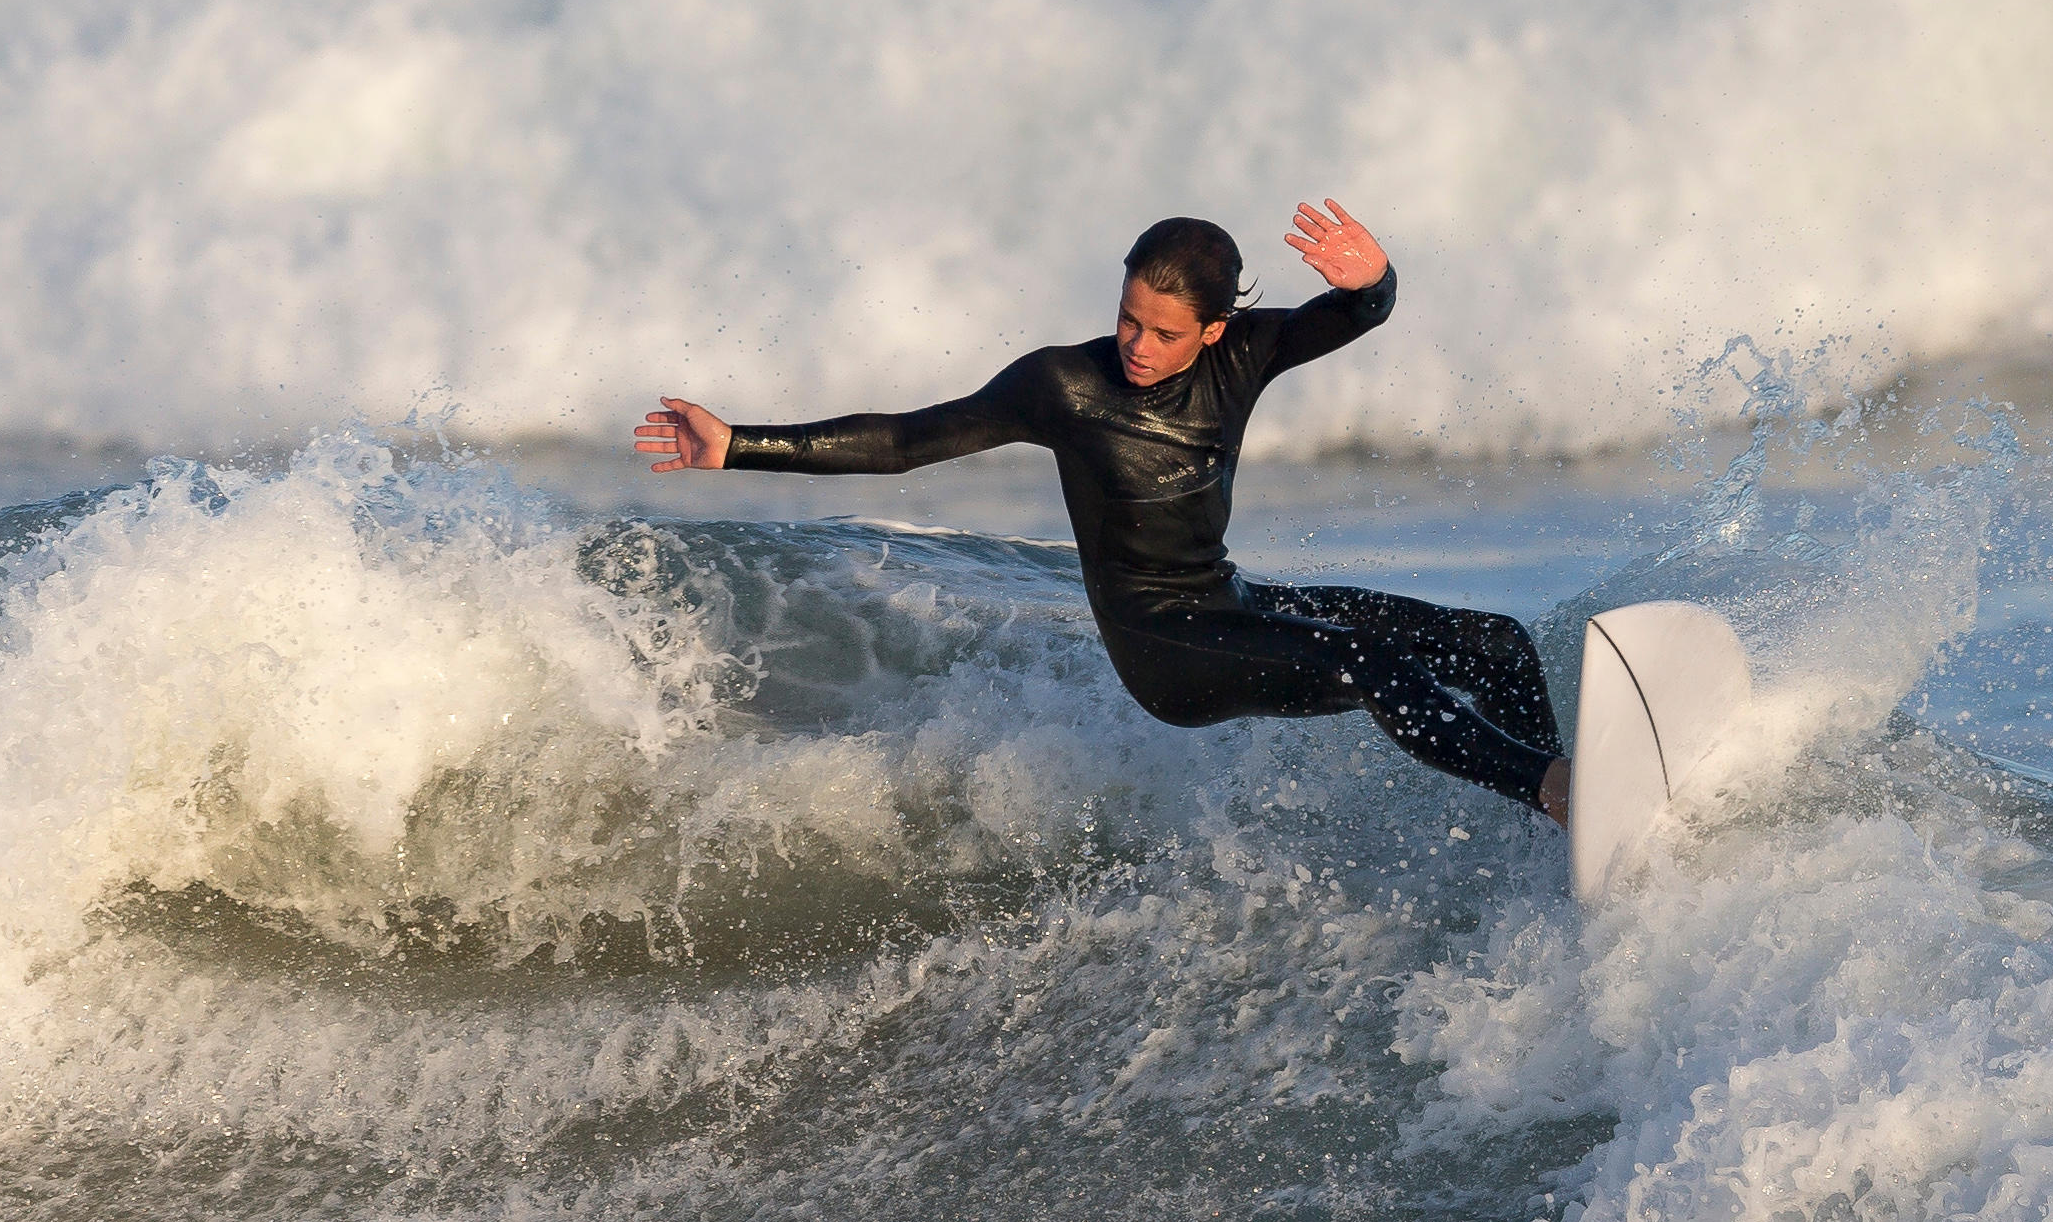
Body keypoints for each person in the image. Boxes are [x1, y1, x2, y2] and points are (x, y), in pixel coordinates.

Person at [634, 201, 1569, 823]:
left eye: (1165, 333)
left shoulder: (1248, 353)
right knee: (1371, 660)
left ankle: (1563, 831)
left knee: (1497, 643)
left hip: (1227, 602)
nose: (1138, 346)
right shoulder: (1064, 387)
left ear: (1214, 331)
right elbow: (907, 440)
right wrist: (739, 444)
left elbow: (1358, 314)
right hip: (1165, 652)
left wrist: (1376, 281)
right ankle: (1552, 791)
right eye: (1128, 319)